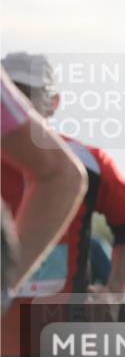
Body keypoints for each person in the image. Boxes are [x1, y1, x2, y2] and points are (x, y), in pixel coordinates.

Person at [1, 53, 125, 357]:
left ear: (53, 103)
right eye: (12, 93)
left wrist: (114, 293)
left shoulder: (86, 163)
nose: (18, 107)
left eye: (28, 95)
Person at [0, 68, 86, 303]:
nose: (22, 99)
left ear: (53, 102)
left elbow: (64, 177)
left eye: (29, 92)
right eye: (16, 89)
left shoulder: (92, 159)